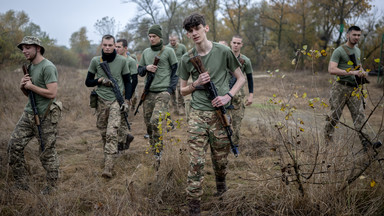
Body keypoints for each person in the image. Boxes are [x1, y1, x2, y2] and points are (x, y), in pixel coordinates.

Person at [177, 13, 245, 215]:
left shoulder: (224, 51)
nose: (194, 33)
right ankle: (194, 206)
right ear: (188, 35)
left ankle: (221, 187)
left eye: (197, 28)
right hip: (197, 114)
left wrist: (228, 96)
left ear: (205, 28)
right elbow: (182, 90)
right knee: (196, 162)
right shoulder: (186, 58)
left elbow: (240, 78)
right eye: (190, 31)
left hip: (220, 114)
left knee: (220, 160)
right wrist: (195, 84)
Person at [8, 36, 62, 194]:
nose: (24, 51)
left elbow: (52, 93)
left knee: (47, 152)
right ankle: (22, 183)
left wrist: (31, 86)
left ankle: (52, 188)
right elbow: (30, 95)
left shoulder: (48, 67)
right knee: (13, 146)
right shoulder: (30, 67)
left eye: (27, 47)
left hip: (45, 115)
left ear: (37, 48)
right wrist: (23, 87)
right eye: (22, 48)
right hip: (29, 113)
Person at [324, 26, 381, 150]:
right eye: (354, 35)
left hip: (355, 89)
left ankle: (367, 145)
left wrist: (363, 73)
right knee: (334, 116)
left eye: (359, 35)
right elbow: (331, 69)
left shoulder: (358, 51)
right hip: (340, 87)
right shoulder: (339, 51)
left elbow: (358, 68)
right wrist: (351, 73)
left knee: (359, 116)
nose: (357, 37)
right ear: (347, 35)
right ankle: (327, 142)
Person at [85, 34, 131, 178]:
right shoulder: (95, 61)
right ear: (101, 45)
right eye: (105, 45)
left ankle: (108, 167)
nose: (107, 48)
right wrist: (99, 80)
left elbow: (128, 82)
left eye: (110, 45)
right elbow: (88, 82)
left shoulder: (122, 61)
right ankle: (109, 154)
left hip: (116, 101)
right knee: (104, 132)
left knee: (112, 133)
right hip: (100, 101)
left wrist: (127, 100)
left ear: (114, 46)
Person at [138, 24, 178, 165]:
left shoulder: (168, 51)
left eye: (154, 36)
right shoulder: (146, 52)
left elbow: (175, 72)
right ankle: (155, 151)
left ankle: (159, 152)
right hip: (149, 92)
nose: (151, 39)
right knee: (148, 123)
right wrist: (146, 68)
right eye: (149, 36)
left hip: (163, 91)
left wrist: (169, 89)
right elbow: (140, 71)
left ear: (160, 37)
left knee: (156, 120)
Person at [229, 35, 254, 145]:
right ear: (231, 43)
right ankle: (223, 147)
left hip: (238, 97)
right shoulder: (224, 57)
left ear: (241, 45)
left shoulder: (246, 60)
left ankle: (234, 147)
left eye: (238, 43)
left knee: (236, 124)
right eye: (234, 42)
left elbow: (249, 78)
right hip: (224, 93)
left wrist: (251, 95)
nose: (236, 45)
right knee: (222, 123)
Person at [115, 38, 136, 151]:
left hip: (125, 94)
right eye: (116, 46)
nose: (116, 49)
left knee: (123, 120)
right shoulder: (114, 60)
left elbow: (133, 81)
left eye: (119, 47)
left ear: (125, 48)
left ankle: (121, 146)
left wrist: (129, 96)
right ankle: (126, 138)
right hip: (114, 94)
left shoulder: (130, 61)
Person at [167, 34, 187, 116]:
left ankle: (181, 107)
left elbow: (186, 57)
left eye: (174, 40)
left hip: (180, 71)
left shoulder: (182, 47)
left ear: (177, 40)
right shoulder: (167, 48)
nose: (172, 42)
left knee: (180, 89)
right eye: (171, 41)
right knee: (172, 90)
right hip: (171, 72)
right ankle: (174, 107)